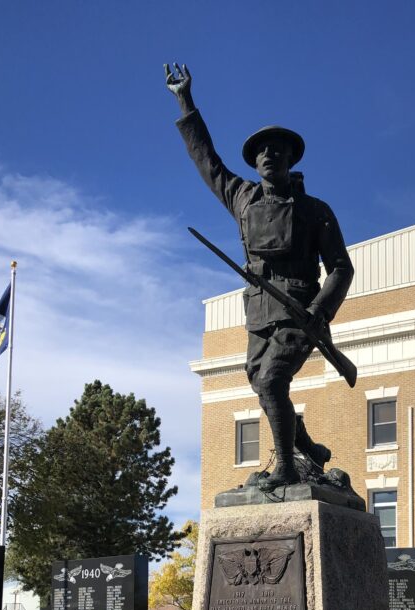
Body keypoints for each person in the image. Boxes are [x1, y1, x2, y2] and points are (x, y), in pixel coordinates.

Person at [165, 63, 354, 489]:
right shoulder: (242, 198)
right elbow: (207, 161)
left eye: (277, 149)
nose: (269, 154)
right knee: (263, 385)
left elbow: (342, 268)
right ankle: (309, 448)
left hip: (299, 310)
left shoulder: (315, 211)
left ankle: (286, 465)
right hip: (258, 312)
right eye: (261, 151)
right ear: (254, 162)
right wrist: (186, 102)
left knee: (271, 381)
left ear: (290, 158)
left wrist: (320, 311)